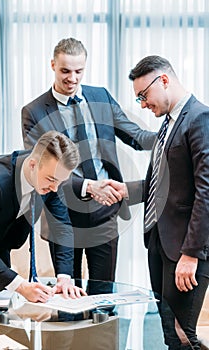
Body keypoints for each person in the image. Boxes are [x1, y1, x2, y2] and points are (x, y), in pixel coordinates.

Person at [93, 55, 209, 349]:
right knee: (170, 334)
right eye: (139, 99)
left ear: (165, 80)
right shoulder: (168, 124)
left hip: (185, 251)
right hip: (159, 244)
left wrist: (191, 254)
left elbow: (206, 193)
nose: (143, 105)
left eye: (144, 96)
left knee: (184, 337)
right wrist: (126, 190)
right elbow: (167, 185)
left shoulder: (200, 119)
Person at [21, 37, 156, 283]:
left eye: (78, 71)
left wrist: (174, 135)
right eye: (65, 71)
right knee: (68, 296)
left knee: (103, 297)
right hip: (63, 216)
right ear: (52, 65)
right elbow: (42, 169)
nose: (72, 78)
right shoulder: (34, 112)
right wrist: (88, 187)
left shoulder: (100, 96)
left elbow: (135, 135)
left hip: (104, 212)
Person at [0, 130, 86, 342]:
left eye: (60, 183)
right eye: (51, 180)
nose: (55, 188)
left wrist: (64, 277)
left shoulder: (53, 179)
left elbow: (62, 227)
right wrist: (22, 286)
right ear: (33, 164)